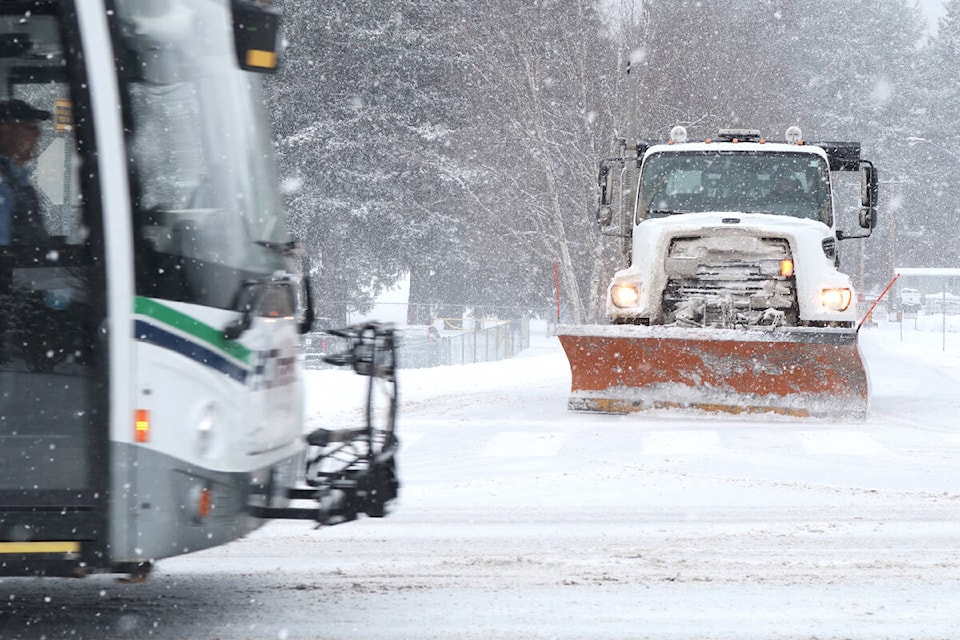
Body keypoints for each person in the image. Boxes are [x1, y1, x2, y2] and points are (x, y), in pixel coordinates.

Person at [0, 99, 50, 246]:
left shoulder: (15, 179)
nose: (38, 133)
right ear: (4, 129)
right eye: (31, 126)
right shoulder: (3, 185)